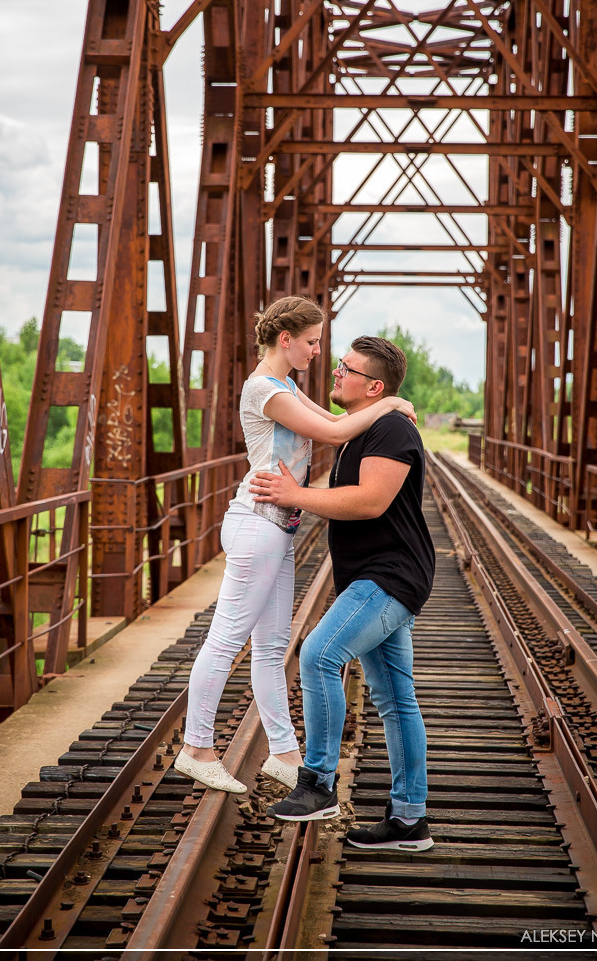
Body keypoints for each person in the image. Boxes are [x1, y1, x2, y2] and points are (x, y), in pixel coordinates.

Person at [173, 301, 417, 795]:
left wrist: (381, 403)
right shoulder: (264, 388)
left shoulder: (287, 387)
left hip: (278, 528)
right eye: (311, 341)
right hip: (257, 524)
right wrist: (390, 402)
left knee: (270, 649)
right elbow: (332, 432)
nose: (318, 350)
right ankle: (196, 747)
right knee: (226, 640)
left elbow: (331, 417)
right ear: (285, 339)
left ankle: (284, 754)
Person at [250, 336, 435, 851]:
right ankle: (408, 820)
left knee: (318, 654)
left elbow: (371, 501)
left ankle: (319, 784)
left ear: (372, 386)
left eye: (346, 368)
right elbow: (292, 399)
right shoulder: (362, 427)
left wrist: (294, 496)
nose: (335, 371)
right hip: (371, 573)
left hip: (390, 575)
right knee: (396, 699)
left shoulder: (392, 430)